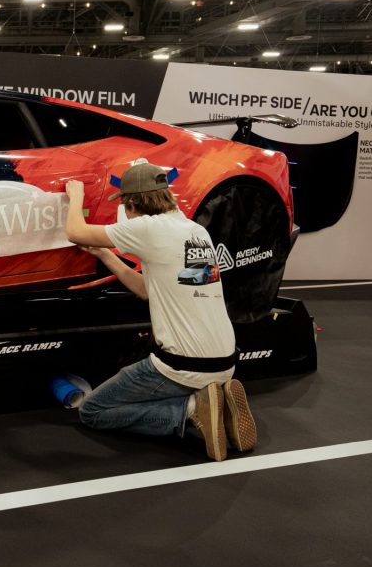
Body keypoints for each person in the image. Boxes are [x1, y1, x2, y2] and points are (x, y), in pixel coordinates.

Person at [63, 160, 257, 462]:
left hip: (183, 366)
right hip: (225, 362)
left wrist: (75, 196)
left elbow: (75, 231)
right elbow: (146, 290)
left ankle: (192, 410)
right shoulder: (195, 232)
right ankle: (216, 402)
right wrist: (105, 255)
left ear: (133, 204)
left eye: (125, 205)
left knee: (93, 410)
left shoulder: (147, 228)